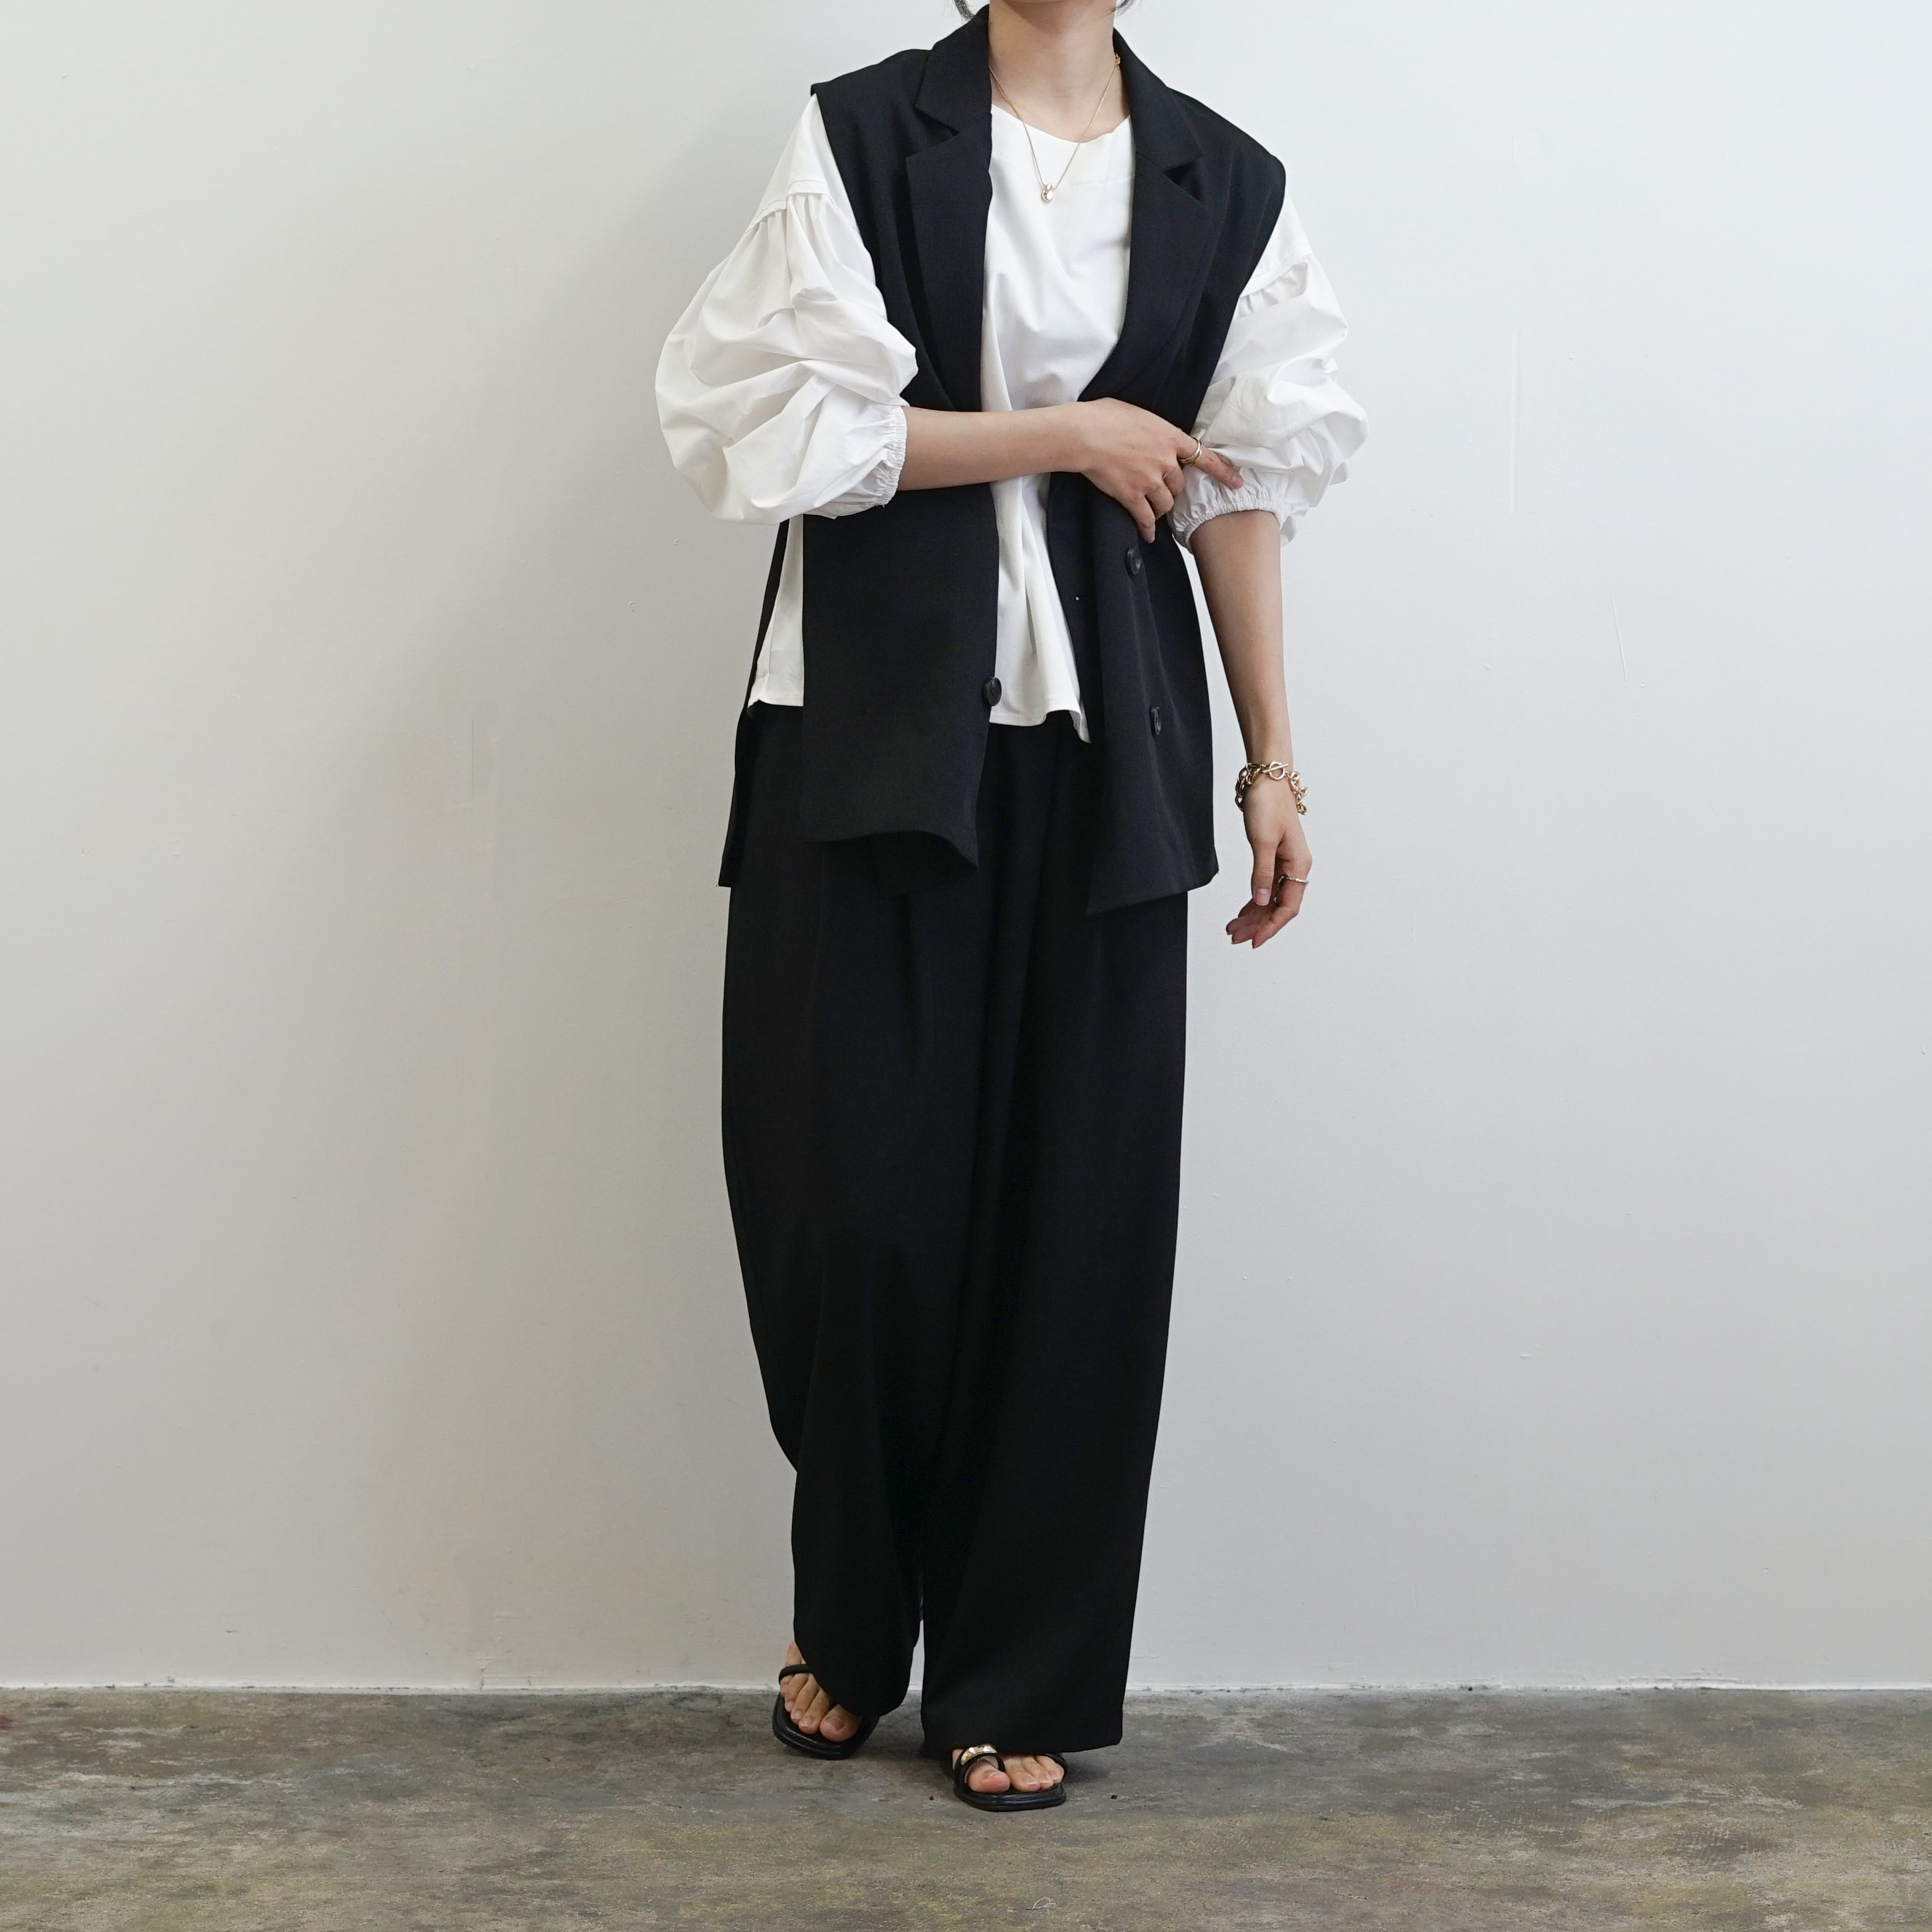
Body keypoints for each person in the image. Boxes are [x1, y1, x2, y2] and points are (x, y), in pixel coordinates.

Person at [657, 0, 1364, 1812]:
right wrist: (1062, 433)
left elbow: (1243, 486)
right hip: (867, 736)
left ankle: (1015, 1668)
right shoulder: (864, 133)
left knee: (1079, 1225)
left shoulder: (1225, 181)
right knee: (848, 1212)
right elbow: (774, 423)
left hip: (1108, 754)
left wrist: (1273, 763)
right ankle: (850, 1616)